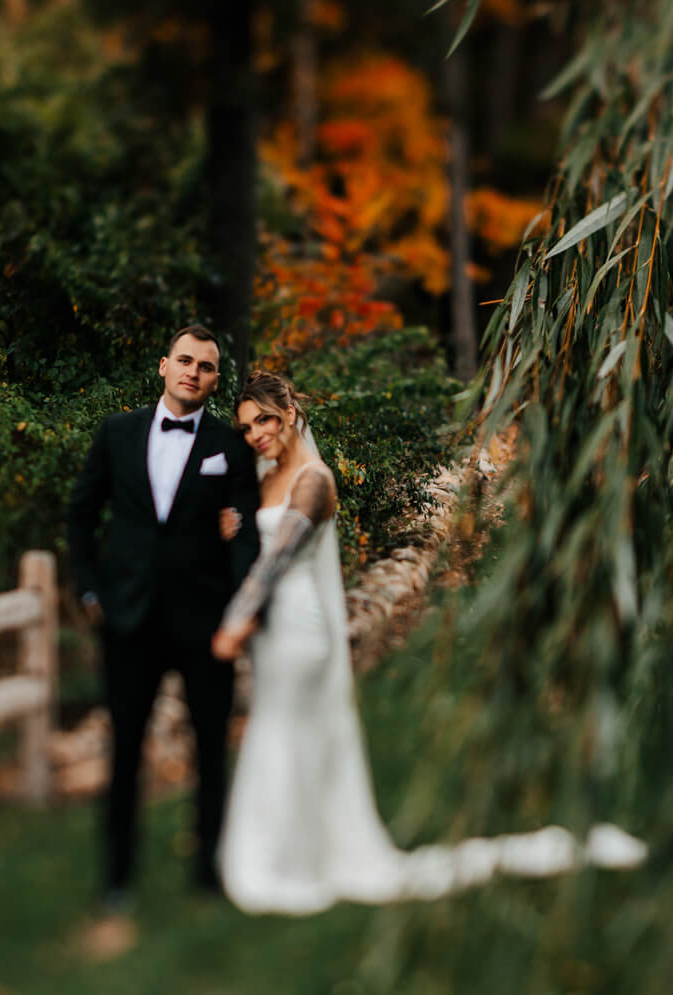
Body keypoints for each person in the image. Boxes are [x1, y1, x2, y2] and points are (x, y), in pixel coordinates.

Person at [209, 370, 646, 915]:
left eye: (264, 420)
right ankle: (278, 854)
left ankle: (283, 864)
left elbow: (276, 563)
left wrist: (236, 620)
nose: (255, 433)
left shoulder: (312, 480)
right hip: (272, 635)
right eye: (247, 426)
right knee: (279, 732)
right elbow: (251, 540)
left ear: (291, 414)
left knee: (284, 735)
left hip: (298, 629)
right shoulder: (265, 474)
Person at [65, 325, 262, 912]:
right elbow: (81, 516)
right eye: (184, 361)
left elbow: (246, 534)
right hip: (128, 622)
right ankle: (117, 878)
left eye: (205, 366)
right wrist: (91, 593)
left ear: (215, 380)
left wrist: (238, 611)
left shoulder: (230, 445)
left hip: (204, 626)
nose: (192, 372)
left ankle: (208, 873)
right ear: (163, 366)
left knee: (209, 749)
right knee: (124, 750)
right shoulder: (116, 433)